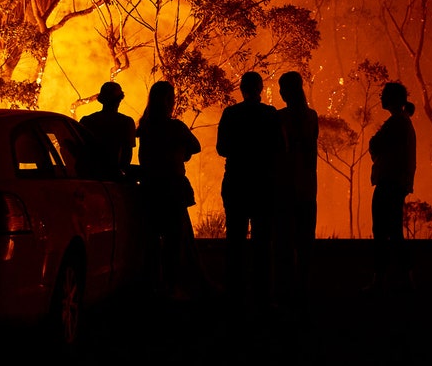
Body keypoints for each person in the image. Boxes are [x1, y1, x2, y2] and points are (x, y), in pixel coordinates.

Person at [216, 71, 284, 310]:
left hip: (236, 182)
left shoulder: (231, 114)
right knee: (263, 241)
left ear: (242, 89)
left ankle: (234, 293)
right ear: (261, 89)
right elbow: (280, 148)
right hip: (263, 184)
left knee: (235, 240)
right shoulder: (270, 114)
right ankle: (263, 295)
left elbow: (222, 148)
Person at [136, 81, 207, 299]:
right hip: (172, 189)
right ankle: (172, 285)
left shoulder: (145, 127)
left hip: (150, 189)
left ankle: (152, 285)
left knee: (152, 239)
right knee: (174, 240)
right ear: (168, 101)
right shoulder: (175, 127)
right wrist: (180, 153)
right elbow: (196, 146)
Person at [366, 81, 416, 292]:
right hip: (397, 182)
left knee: (382, 232)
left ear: (393, 99)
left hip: (389, 182)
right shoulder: (402, 122)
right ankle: (404, 278)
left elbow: (375, 144)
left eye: (384, 95)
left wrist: (374, 145)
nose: (381, 98)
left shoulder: (396, 122)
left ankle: (381, 279)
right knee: (394, 232)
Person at [276, 71, 319, 311]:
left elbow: (276, 152)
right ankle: (303, 286)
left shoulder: (280, 117)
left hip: (285, 187)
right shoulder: (311, 116)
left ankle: (285, 288)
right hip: (307, 187)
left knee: (284, 239)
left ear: (285, 91)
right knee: (305, 239)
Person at [78, 81, 136, 178]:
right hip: (114, 178)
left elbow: (79, 150)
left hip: (89, 176)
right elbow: (127, 155)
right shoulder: (126, 122)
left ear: (101, 99)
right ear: (120, 99)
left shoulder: (87, 121)